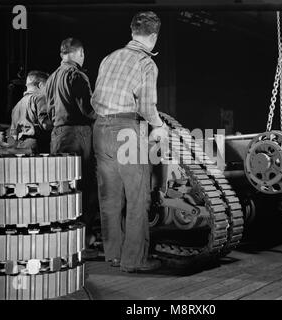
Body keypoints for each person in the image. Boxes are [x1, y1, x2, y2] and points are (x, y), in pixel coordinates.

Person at [91, 11, 168, 272]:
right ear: (154, 36)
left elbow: (94, 98)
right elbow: (147, 106)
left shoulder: (109, 58)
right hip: (126, 128)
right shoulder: (146, 64)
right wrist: (159, 126)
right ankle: (134, 260)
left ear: (132, 30)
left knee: (109, 198)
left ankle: (113, 254)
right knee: (137, 197)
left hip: (100, 129)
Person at [45, 37, 98, 250]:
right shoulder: (77, 75)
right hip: (78, 133)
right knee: (86, 185)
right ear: (79, 53)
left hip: (58, 135)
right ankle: (84, 237)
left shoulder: (50, 78)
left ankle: (62, 236)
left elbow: (47, 112)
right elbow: (88, 109)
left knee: (62, 186)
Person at [9, 70, 51, 152]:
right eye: (48, 86)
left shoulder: (17, 105)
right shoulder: (40, 98)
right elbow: (46, 125)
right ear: (41, 85)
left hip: (20, 146)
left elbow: (13, 134)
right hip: (37, 145)